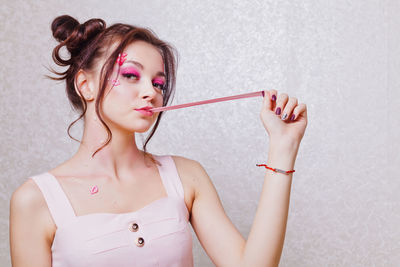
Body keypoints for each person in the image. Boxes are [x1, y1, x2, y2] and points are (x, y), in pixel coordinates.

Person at [9, 15, 308, 267]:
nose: (151, 92)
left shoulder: (187, 176)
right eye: (130, 75)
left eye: (158, 83)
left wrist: (283, 148)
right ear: (86, 85)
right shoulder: (34, 200)